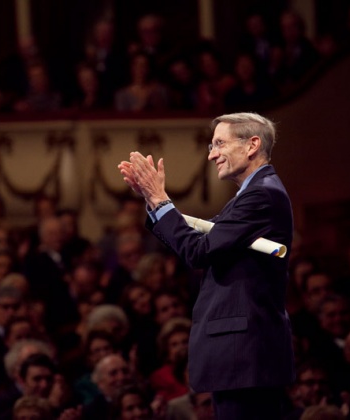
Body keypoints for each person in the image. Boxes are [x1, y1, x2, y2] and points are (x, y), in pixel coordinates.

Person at [118, 112, 295, 419]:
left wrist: (161, 201)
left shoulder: (261, 195)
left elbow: (198, 251)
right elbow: (203, 233)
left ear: (252, 145)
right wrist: (153, 199)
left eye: (219, 144)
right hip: (243, 356)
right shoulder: (253, 194)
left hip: (245, 355)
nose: (212, 154)